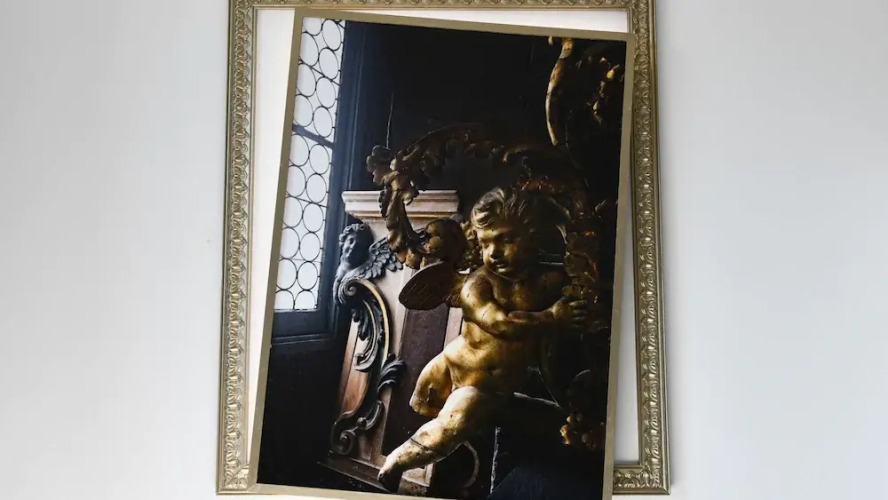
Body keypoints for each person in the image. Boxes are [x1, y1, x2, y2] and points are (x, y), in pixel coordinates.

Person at [378, 187, 588, 491]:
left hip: (497, 392)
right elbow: (498, 323)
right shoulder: (477, 284)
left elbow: (547, 346)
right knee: (452, 425)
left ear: (533, 237)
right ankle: (396, 462)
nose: (494, 253)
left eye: (506, 239)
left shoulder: (546, 283)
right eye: (486, 243)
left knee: (555, 420)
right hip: (459, 378)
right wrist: (553, 317)